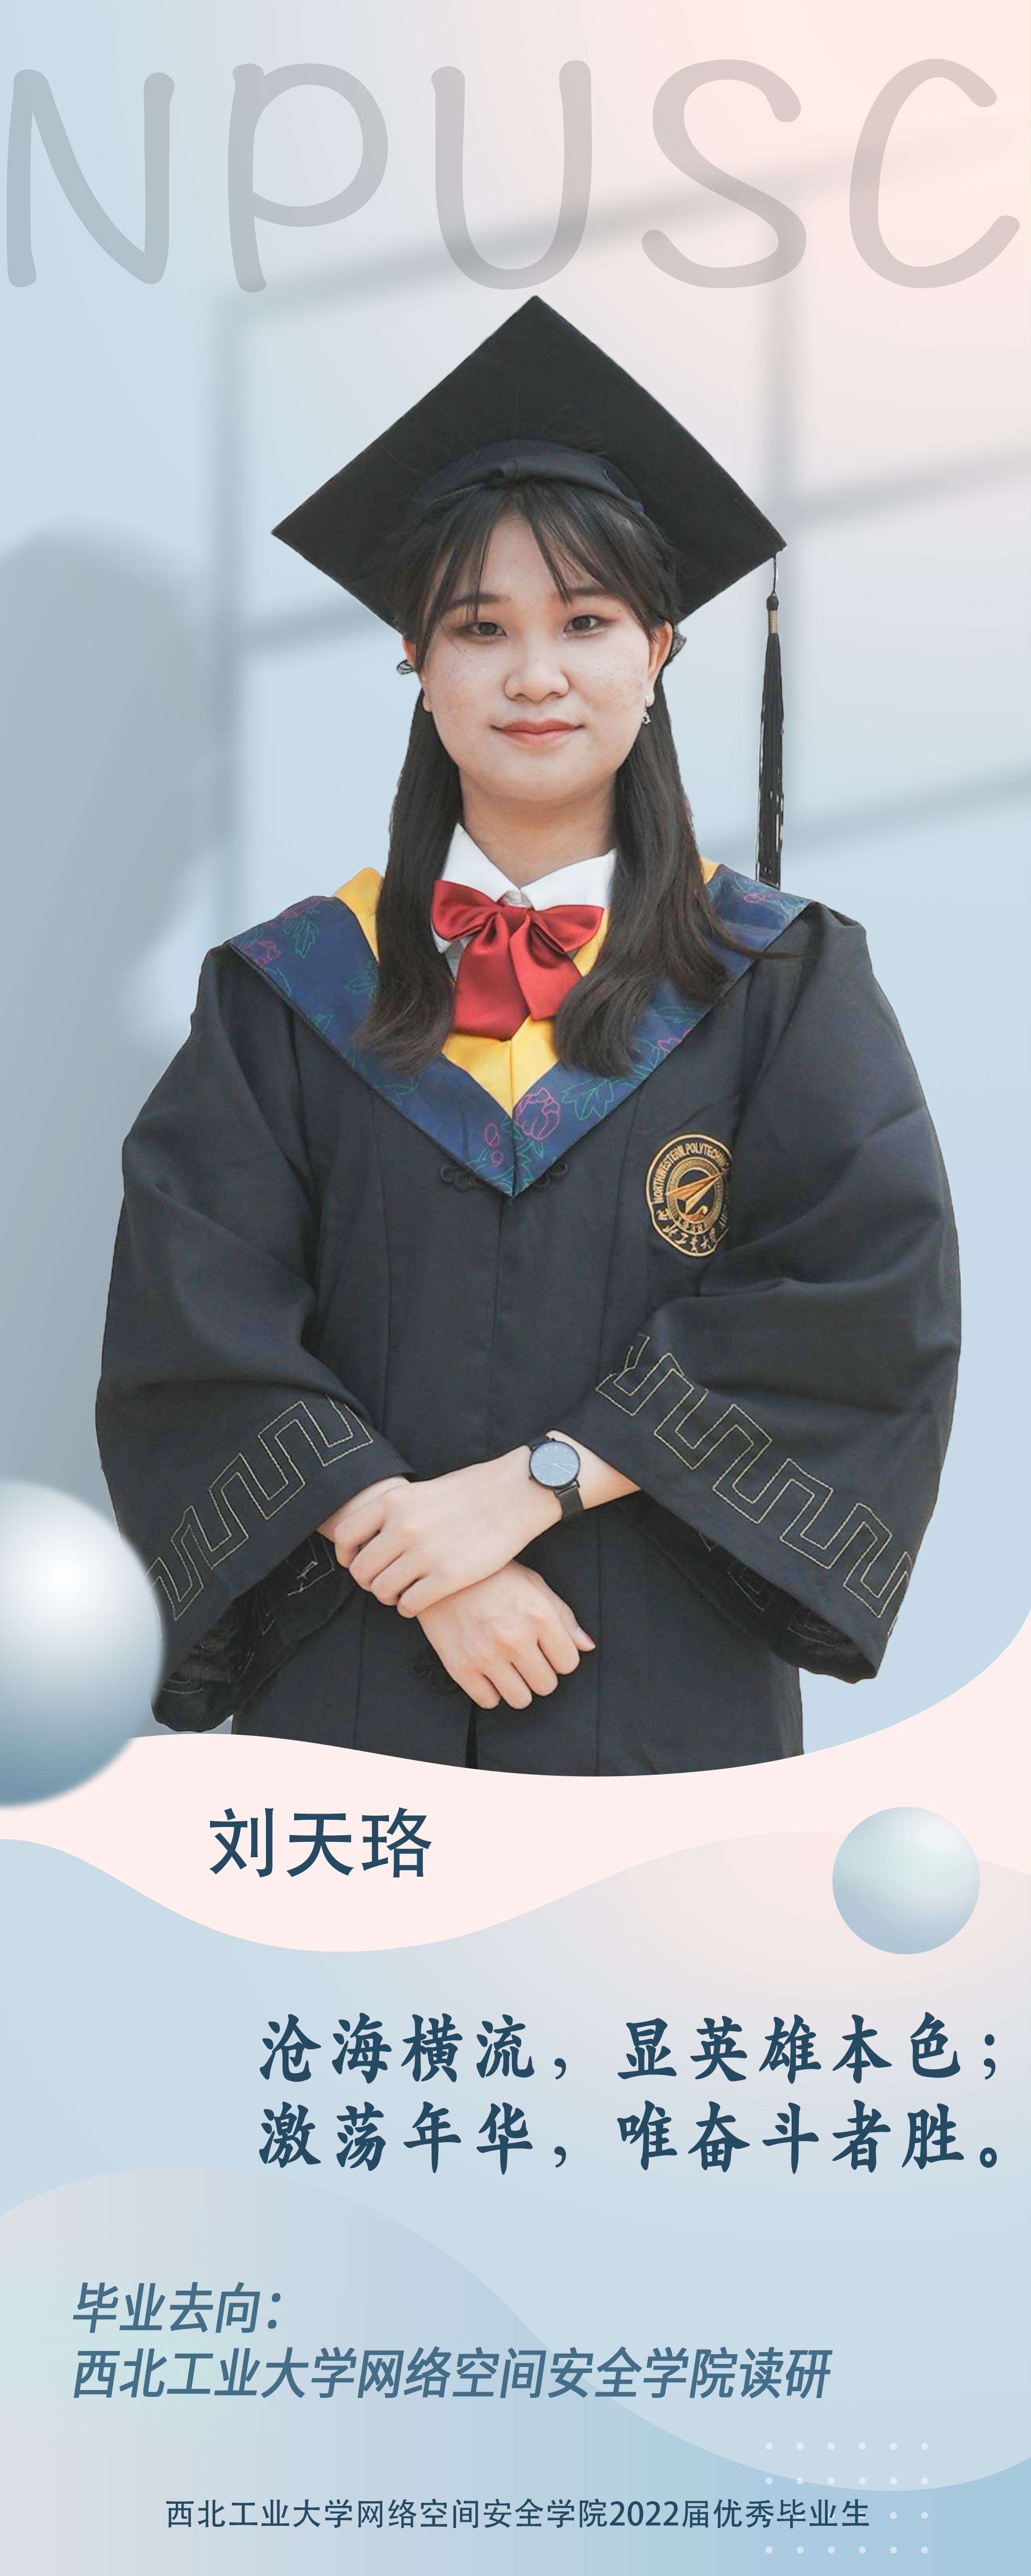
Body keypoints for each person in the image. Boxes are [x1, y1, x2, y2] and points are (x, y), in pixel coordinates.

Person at [96, 299, 960, 1775]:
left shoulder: (782, 980)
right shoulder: (286, 991)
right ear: (418, 663)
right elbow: (195, 1321)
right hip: (351, 1687)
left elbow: (859, 1303)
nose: (534, 673)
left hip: (665, 1686)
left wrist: (535, 1487)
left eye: (586, 622)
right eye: (479, 628)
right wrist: (420, 1552)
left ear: (660, 650)